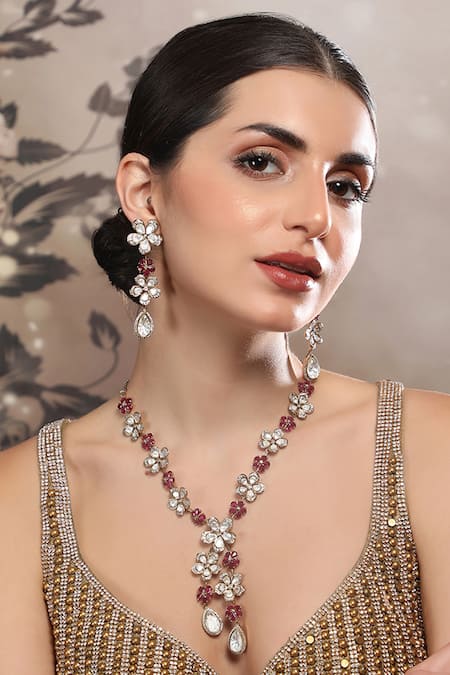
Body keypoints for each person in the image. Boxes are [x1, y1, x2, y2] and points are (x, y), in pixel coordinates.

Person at [0, 12, 449, 675]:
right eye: (261, 162)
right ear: (144, 193)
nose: (316, 217)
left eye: (345, 187)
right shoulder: (19, 503)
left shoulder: (430, 450)